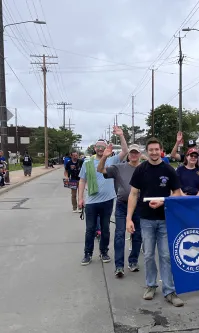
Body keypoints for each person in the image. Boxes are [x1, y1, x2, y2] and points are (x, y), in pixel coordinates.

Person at [126, 137, 184, 307]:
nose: (153, 152)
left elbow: (177, 193)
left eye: (156, 149)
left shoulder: (168, 169)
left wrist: (164, 201)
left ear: (161, 151)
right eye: (150, 150)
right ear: (147, 152)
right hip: (146, 220)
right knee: (149, 255)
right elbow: (133, 194)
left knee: (165, 255)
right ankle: (151, 286)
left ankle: (170, 291)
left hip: (165, 219)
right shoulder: (140, 170)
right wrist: (129, 218)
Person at [78, 126, 129, 265]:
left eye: (103, 147)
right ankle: (87, 254)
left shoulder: (111, 160)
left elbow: (125, 151)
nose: (100, 149)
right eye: (98, 147)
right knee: (90, 229)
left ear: (107, 148)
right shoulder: (87, 163)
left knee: (105, 229)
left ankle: (104, 252)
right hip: (91, 202)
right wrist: (80, 198)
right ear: (94, 148)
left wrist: (121, 135)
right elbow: (82, 180)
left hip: (107, 200)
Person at [98, 143, 143, 277]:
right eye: (131, 152)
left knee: (137, 234)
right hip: (122, 205)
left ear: (140, 154)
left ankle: (133, 261)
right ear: (128, 154)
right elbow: (100, 170)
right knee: (119, 235)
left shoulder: (144, 168)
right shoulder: (119, 167)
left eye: (136, 152)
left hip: (139, 206)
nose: (134, 155)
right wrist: (104, 157)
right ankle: (119, 266)